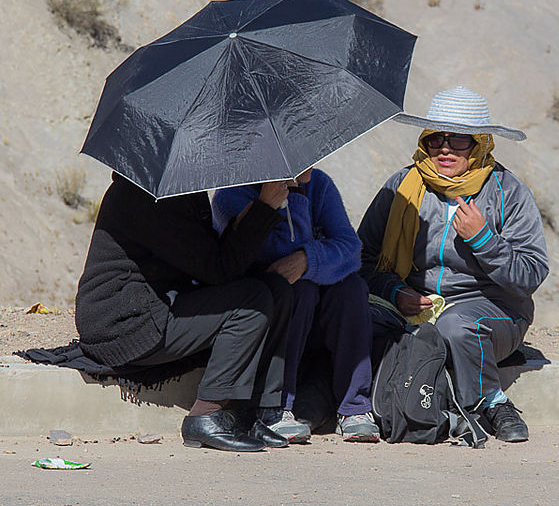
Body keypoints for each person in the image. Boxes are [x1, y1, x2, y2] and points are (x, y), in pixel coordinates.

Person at [357, 86, 550, 443]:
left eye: (459, 140)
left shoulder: (508, 192)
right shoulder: (403, 186)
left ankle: (491, 401)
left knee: (457, 325)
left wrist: (483, 240)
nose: (445, 148)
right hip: (413, 306)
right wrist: (396, 291)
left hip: (495, 309)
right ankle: (353, 409)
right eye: (436, 138)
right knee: (350, 315)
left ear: (480, 144)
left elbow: (530, 273)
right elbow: (362, 257)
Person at [75, 173, 296, 452]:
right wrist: (264, 208)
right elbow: (218, 270)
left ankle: (250, 412)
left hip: (160, 306)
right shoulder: (147, 197)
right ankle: (206, 415)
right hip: (125, 324)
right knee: (251, 301)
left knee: (276, 290)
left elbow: (212, 259)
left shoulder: (180, 191)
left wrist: (252, 215)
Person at [212, 168, 380, 443]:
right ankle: (275, 406)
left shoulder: (320, 184)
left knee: (352, 288)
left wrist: (308, 259)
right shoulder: (232, 194)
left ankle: (355, 407)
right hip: (265, 314)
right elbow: (274, 259)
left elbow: (350, 248)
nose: (309, 168)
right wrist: (286, 199)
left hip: (315, 317)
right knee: (298, 288)